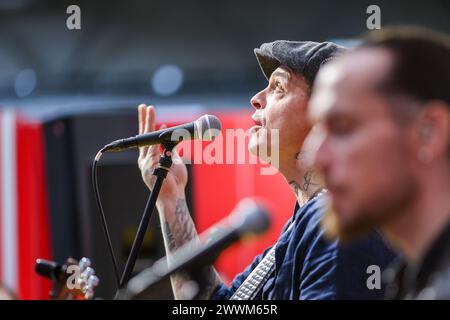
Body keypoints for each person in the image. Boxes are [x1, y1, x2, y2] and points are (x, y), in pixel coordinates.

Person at [137, 40, 395, 300]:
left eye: (278, 87)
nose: (256, 99)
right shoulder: (305, 225)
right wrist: (170, 198)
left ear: (324, 113)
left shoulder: (339, 224)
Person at [309, 27, 450, 299]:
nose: (317, 158)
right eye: (317, 129)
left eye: (342, 128)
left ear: (429, 131)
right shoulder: (413, 281)